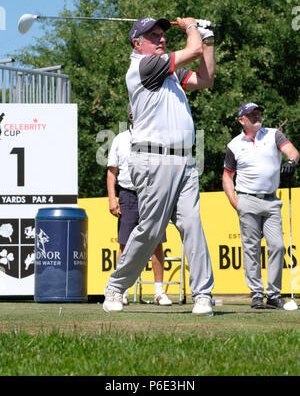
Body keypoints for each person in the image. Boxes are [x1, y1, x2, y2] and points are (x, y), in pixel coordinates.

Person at [103, 16, 216, 316]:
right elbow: (191, 50)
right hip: (154, 159)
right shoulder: (144, 67)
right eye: (153, 36)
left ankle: (202, 295)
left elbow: (206, 79)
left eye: (163, 34)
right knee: (151, 230)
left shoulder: (169, 73)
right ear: (137, 43)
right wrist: (192, 27)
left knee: (192, 225)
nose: (162, 39)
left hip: (184, 160)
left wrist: (209, 40)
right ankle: (117, 285)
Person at [222, 102, 299, 309]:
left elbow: (292, 151)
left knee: (278, 246)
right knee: (251, 249)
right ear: (241, 120)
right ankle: (257, 293)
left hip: (272, 200)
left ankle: (273, 294)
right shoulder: (234, 144)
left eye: (258, 113)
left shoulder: (274, 134)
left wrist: (291, 162)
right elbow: (227, 177)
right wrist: (235, 202)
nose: (257, 116)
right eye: (251, 114)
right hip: (247, 199)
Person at [106, 104, 172, 306]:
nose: (138, 115)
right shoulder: (119, 139)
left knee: (156, 243)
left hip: (152, 195)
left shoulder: (158, 137)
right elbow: (112, 172)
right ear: (130, 115)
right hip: (128, 195)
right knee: (125, 244)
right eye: (135, 112)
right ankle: (121, 290)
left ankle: (159, 292)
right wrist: (112, 198)